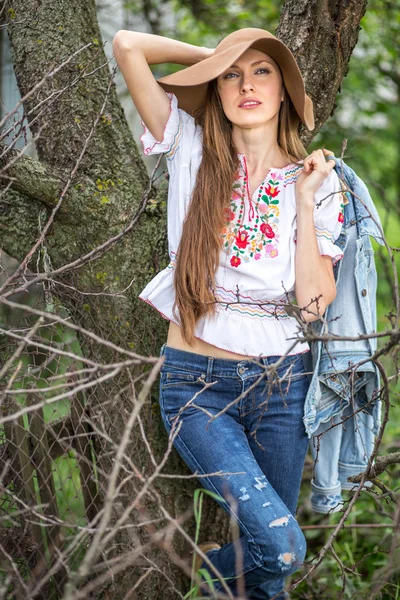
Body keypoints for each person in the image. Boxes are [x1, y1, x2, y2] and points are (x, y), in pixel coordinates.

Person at [113, 27, 345, 599]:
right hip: (198, 388)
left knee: (268, 574)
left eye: (263, 72)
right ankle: (209, 577)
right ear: (215, 90)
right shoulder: (188, 144)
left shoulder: (317, 183)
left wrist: (306, 200)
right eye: (233, 76)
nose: (247, 84)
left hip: (282, 387)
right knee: (283, 546)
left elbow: (314, 305)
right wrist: (219, 60)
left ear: (286, 90)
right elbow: (126, 45)